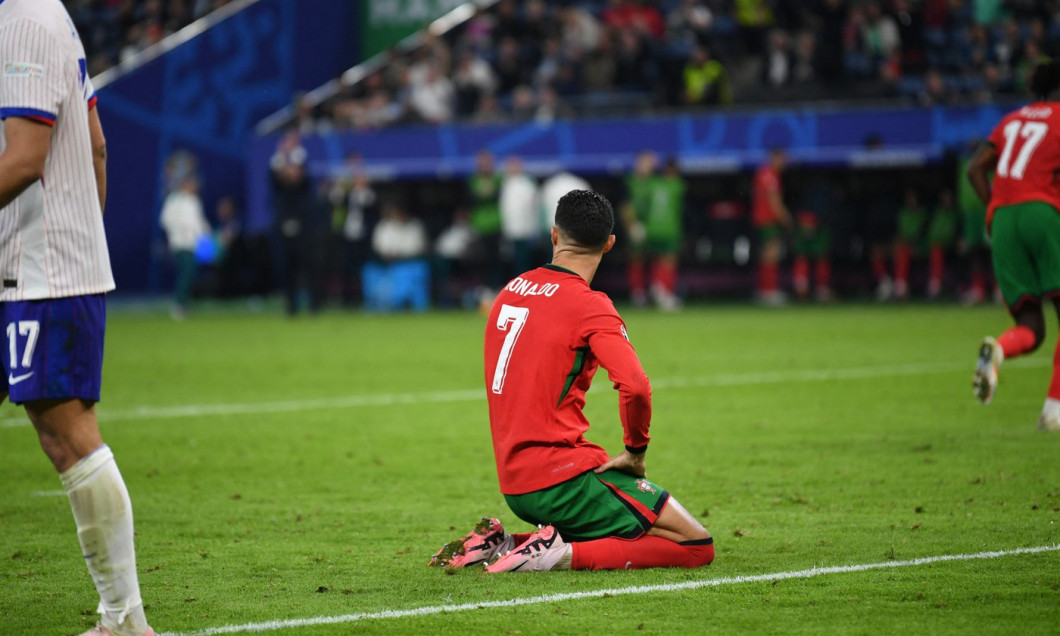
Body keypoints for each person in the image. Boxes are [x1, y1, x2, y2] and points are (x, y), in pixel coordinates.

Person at [430, 190, 714, 572]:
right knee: (695, 545)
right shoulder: (590, 305)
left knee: (628, 528)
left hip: (515, 484)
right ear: (610, 244)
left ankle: (504, 544)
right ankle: (559, 555)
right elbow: (635, 386)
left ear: (553, 236)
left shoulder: (509, 291)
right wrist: (635, 451)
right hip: (563, 482)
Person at [0, 1, 154, 635]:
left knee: (66, 431)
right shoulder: (48, 13)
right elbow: (95, 145)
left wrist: (73, 253)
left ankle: (125, 619)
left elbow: (26, 156)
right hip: (39, 262)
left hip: (42, 272)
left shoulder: (24, 22)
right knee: (59, 431)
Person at [967, 61, 1060, 431]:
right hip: (1043, 212)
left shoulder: (1011, 121)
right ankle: (1053, 413)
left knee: (1031, 325)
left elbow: (974, 169)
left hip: (1003, 219)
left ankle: (998, 350)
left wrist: (996, 207)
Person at [159, 175, 210, 319]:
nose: (194, 187)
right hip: (180, 243)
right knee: (186, 272)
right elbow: (165, 220)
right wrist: (180, 231)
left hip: (193, 244)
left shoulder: (194, 201)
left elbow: (199, 221)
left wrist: (206, 233)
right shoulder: (174, 200)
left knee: (190, 273)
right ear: (185, 184)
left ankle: (184, 304)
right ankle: (178, 304)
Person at [751, 148, 793, 305]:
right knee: (772, 255)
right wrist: (786, 217)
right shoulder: (770, 176)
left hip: (762, 219)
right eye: (783, 159)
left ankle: (765, 290)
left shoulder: (763, 173)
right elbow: (773, 200)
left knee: (766, 255)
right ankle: (770, 291)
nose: (785, 162)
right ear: (774, 158)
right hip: (768, 219)